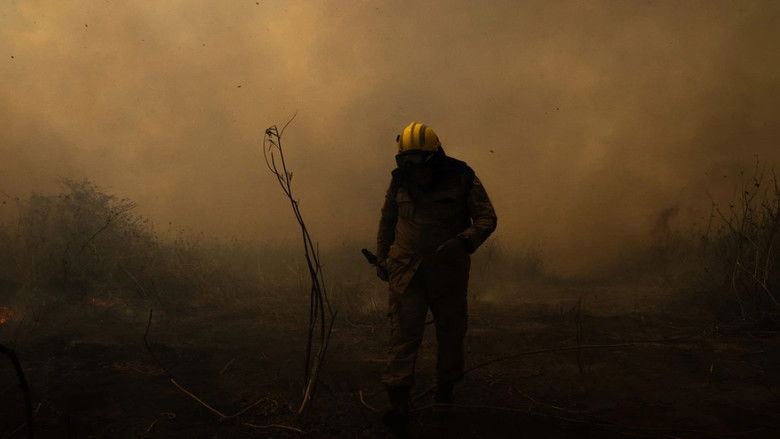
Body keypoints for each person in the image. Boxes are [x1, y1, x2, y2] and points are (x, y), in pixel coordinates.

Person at [375, 122, 497, 436]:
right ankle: (399, 406)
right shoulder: (400, 179)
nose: (412, 167)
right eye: (406, 159)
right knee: (403, 334)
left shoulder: (461, 176)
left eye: (417, 159)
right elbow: (388, 219)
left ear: (433, 155)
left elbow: (486, 217)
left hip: (448, 272)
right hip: (407, 271)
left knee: (451, 333)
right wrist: (382, 258)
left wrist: (463, 242)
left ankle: (445, 394)